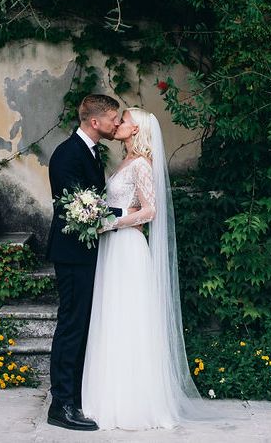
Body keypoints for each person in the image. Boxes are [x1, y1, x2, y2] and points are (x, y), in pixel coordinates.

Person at [81, 107, 206, 429]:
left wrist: (111, 222)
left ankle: (133, 403)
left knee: (129, 318)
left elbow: (150, 211)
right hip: (113, 246)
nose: (118, 124)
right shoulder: (124, 161)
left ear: (136, 130)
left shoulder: (141, 164)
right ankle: (107, 397)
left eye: (123, 120)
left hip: (127, 246)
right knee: (112, 316)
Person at [45, 94, 125, 431]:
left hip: (88, 253)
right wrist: (129, 214)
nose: (116, 124)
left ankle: (76, 395)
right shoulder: (67, 154)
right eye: (113, 119)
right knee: (72, 325)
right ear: (95, 121)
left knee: (84, 325)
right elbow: (80, 209)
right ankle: (61, 405)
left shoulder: (92, 152)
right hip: (72, 255)